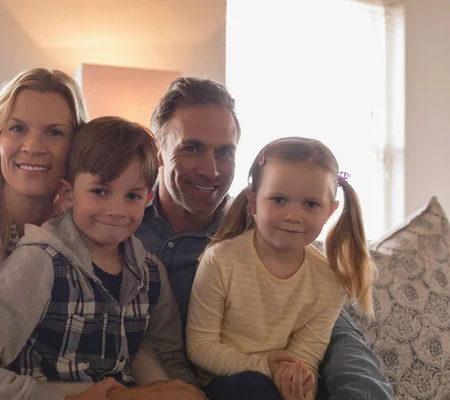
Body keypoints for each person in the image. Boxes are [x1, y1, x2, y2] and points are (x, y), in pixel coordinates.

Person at [0, 68, 201, 400]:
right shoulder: (19, 251)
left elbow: (145, 346)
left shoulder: (109, 246)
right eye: (17, 128)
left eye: (54, 132)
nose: (33, 146)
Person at [135, 77, 394, 399]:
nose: (211, 170)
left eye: (225, 152)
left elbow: (336, 338)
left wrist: (304, 379)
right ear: (158, 151)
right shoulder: (118, 225)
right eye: (192, 148)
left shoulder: (271, 233)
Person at [186, 137, 376, 400]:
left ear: (330, 212)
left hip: (281, 383)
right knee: (255, 387)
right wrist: (264, 367)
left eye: (310, 204)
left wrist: (300, 383)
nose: (293, 215)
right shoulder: (221, 260)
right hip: (227, 381)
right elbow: (200, 347)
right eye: (278, 199)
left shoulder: (330, 280)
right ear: (252, 201)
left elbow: (307, 354)